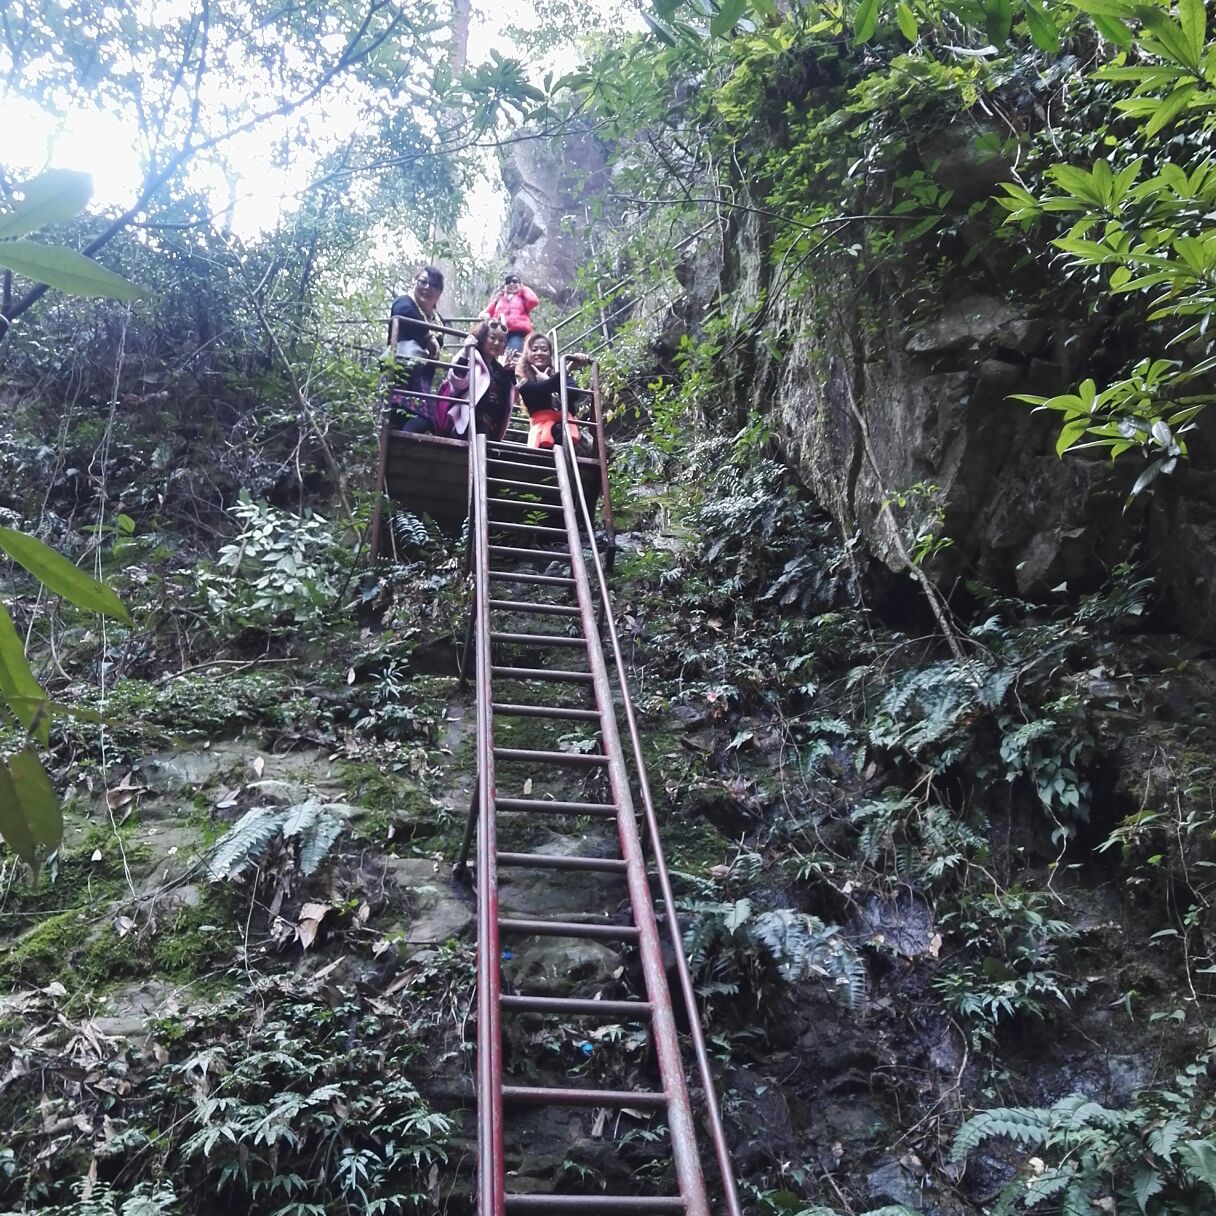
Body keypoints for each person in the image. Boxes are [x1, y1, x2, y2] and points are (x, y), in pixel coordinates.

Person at [388, 266, 446, 433]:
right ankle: (400, 451)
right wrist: (428, 336)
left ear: (439, 292)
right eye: (423, 282)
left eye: (433, 285)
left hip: (422, 379)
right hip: (402, 373)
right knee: (421, 418)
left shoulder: (438, 321)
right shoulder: (405, 302)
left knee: (422, 420)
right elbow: (402, 313)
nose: (427, 288)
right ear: (415, 283)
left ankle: (400, 453)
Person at [443, 319, 517, 441]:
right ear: (482, 338)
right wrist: (465, 354)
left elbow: (511, 398)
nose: (497, 343)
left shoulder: (499, 369)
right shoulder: (470, 355)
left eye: (501, 340)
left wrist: (509, 374)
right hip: (474, 420)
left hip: (494, 423)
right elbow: (457, 382)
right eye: (492, 338)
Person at [516, 333, 591, 450]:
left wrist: (551, 380)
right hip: (541, 432)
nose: (539, 353)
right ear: (527, 354)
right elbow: (537, 392)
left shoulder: (560, 376)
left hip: (565, 428)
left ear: (550, 354)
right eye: (534, 349)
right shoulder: (524, 380)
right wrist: (567, 369)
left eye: (544, 349)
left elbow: (573, 394)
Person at [483, 271, 540, 352]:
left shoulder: (523, 298)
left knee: (513, 353)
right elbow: (487, 312)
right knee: (495, 353)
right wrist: (487, 315)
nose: (511, 284)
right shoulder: (499, 298)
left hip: (517, 332)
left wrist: (522, 288)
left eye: (515, 281)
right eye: (508, 282)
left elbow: (533, 301)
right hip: (499, 331)